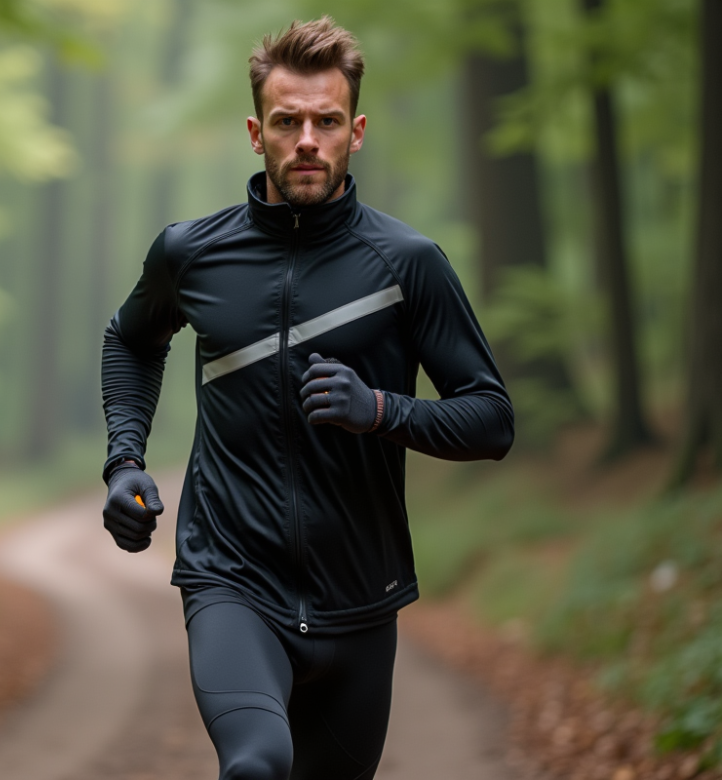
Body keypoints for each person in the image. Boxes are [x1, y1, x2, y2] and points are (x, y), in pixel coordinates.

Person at [100, 16, 514, 780]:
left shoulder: (408, 264)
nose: (308, 141)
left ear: (356, 130)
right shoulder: (192, 254)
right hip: (230, 577)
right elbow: (130, 340)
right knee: (257, 764)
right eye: (287, 122)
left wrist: (382, 410)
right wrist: (124, 459)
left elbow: (491, 419)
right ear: (256, 132)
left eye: (326, 121)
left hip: (361, 598)